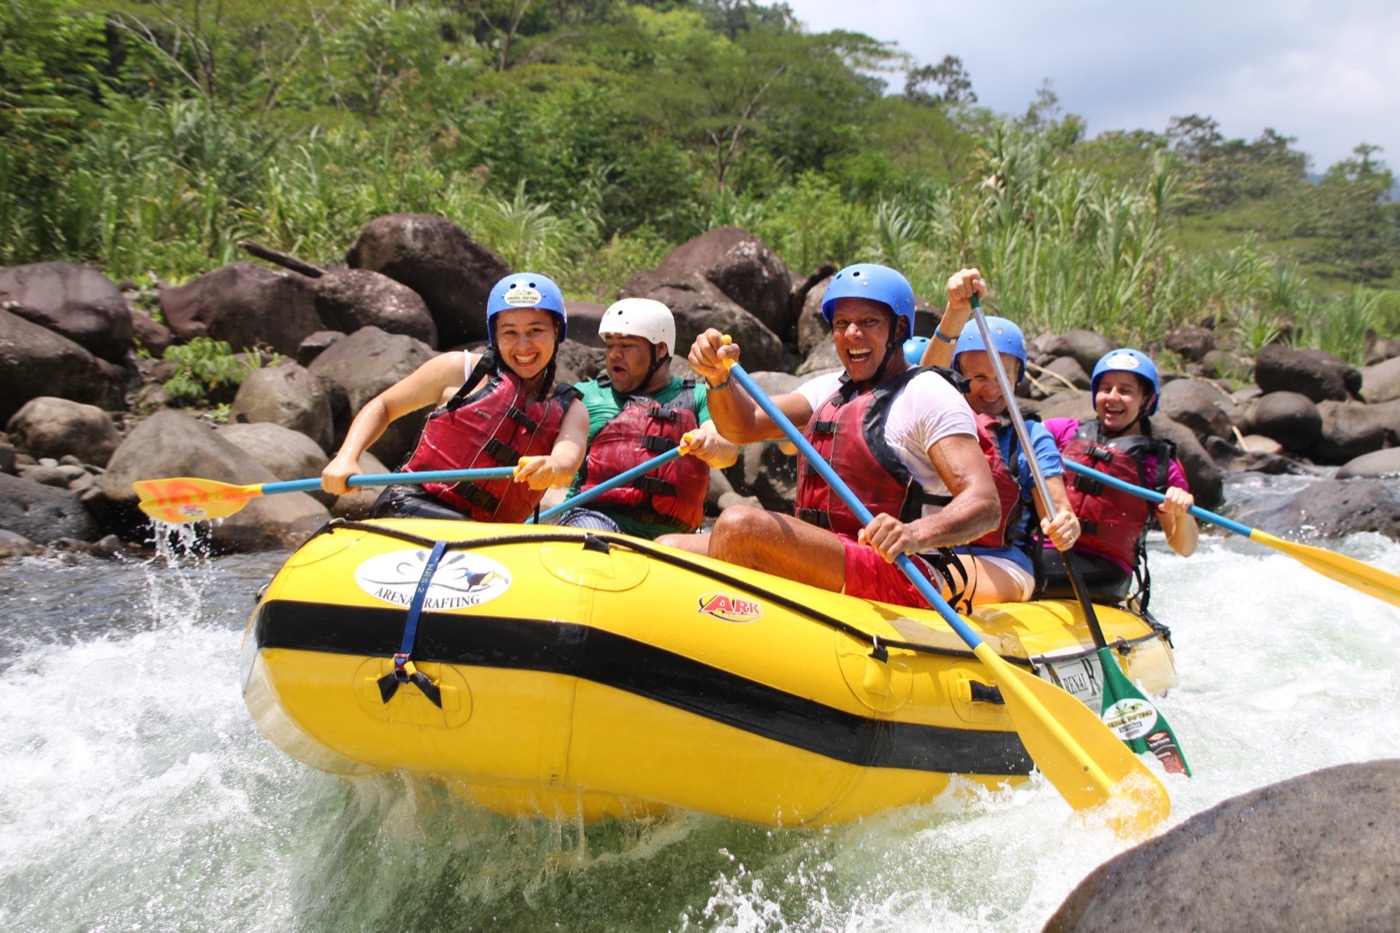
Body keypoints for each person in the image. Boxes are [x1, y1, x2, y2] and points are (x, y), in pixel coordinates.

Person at [658, 262, 1002, 610]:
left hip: (902, 571)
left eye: (868, 321)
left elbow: (985, 504)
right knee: (668, 550)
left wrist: (914, 534)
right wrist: (718, 378)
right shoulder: (829, 389)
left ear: (899, 328)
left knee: (739, 524)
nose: (852, 333)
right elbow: (743, 425)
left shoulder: (928, 393)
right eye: (841, 324)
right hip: (829, 553)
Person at [321, 272, 589, 521]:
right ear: (495, 335)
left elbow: (567, 461)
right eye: (510, 332)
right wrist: (347, 456)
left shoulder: (572, 410)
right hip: (412, 507)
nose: (523, 346)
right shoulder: (458, 370)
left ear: (556, 330)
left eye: (535, 330)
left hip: (494, 535)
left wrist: (552, 466)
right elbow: (384, 405)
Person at [919, 269, 1082, 604]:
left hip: (1005, 564)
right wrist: (955, 310)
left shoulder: (1031, 436)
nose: (991, 387)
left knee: (926, 578)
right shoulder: (939, 420)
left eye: (1002, 376)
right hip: (934, 549)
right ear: (960, 376)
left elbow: (1058, 510)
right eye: (978, 376)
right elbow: (925, 378)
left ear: (1017, 377)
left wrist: (1066, 525)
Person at [553, 298, 738, 538]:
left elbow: (728, 451)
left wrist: (710, 445)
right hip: (594, 518)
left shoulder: (700, 396)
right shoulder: (586, 396)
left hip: (673, 537)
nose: (614, 355)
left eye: (627, 345)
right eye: (610, 345)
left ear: (660, 349)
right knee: (595, 534)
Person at [1039, 347, 1198, 605]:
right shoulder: (1062, 432)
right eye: (1105, 388)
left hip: (1105, 567)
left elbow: (1185, 548)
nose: (1112, 397)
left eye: (1125, 391)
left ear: (1146, 400)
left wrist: (1182, 512)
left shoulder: (1159, 463)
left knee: (1028, 571)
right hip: (1042, 548)